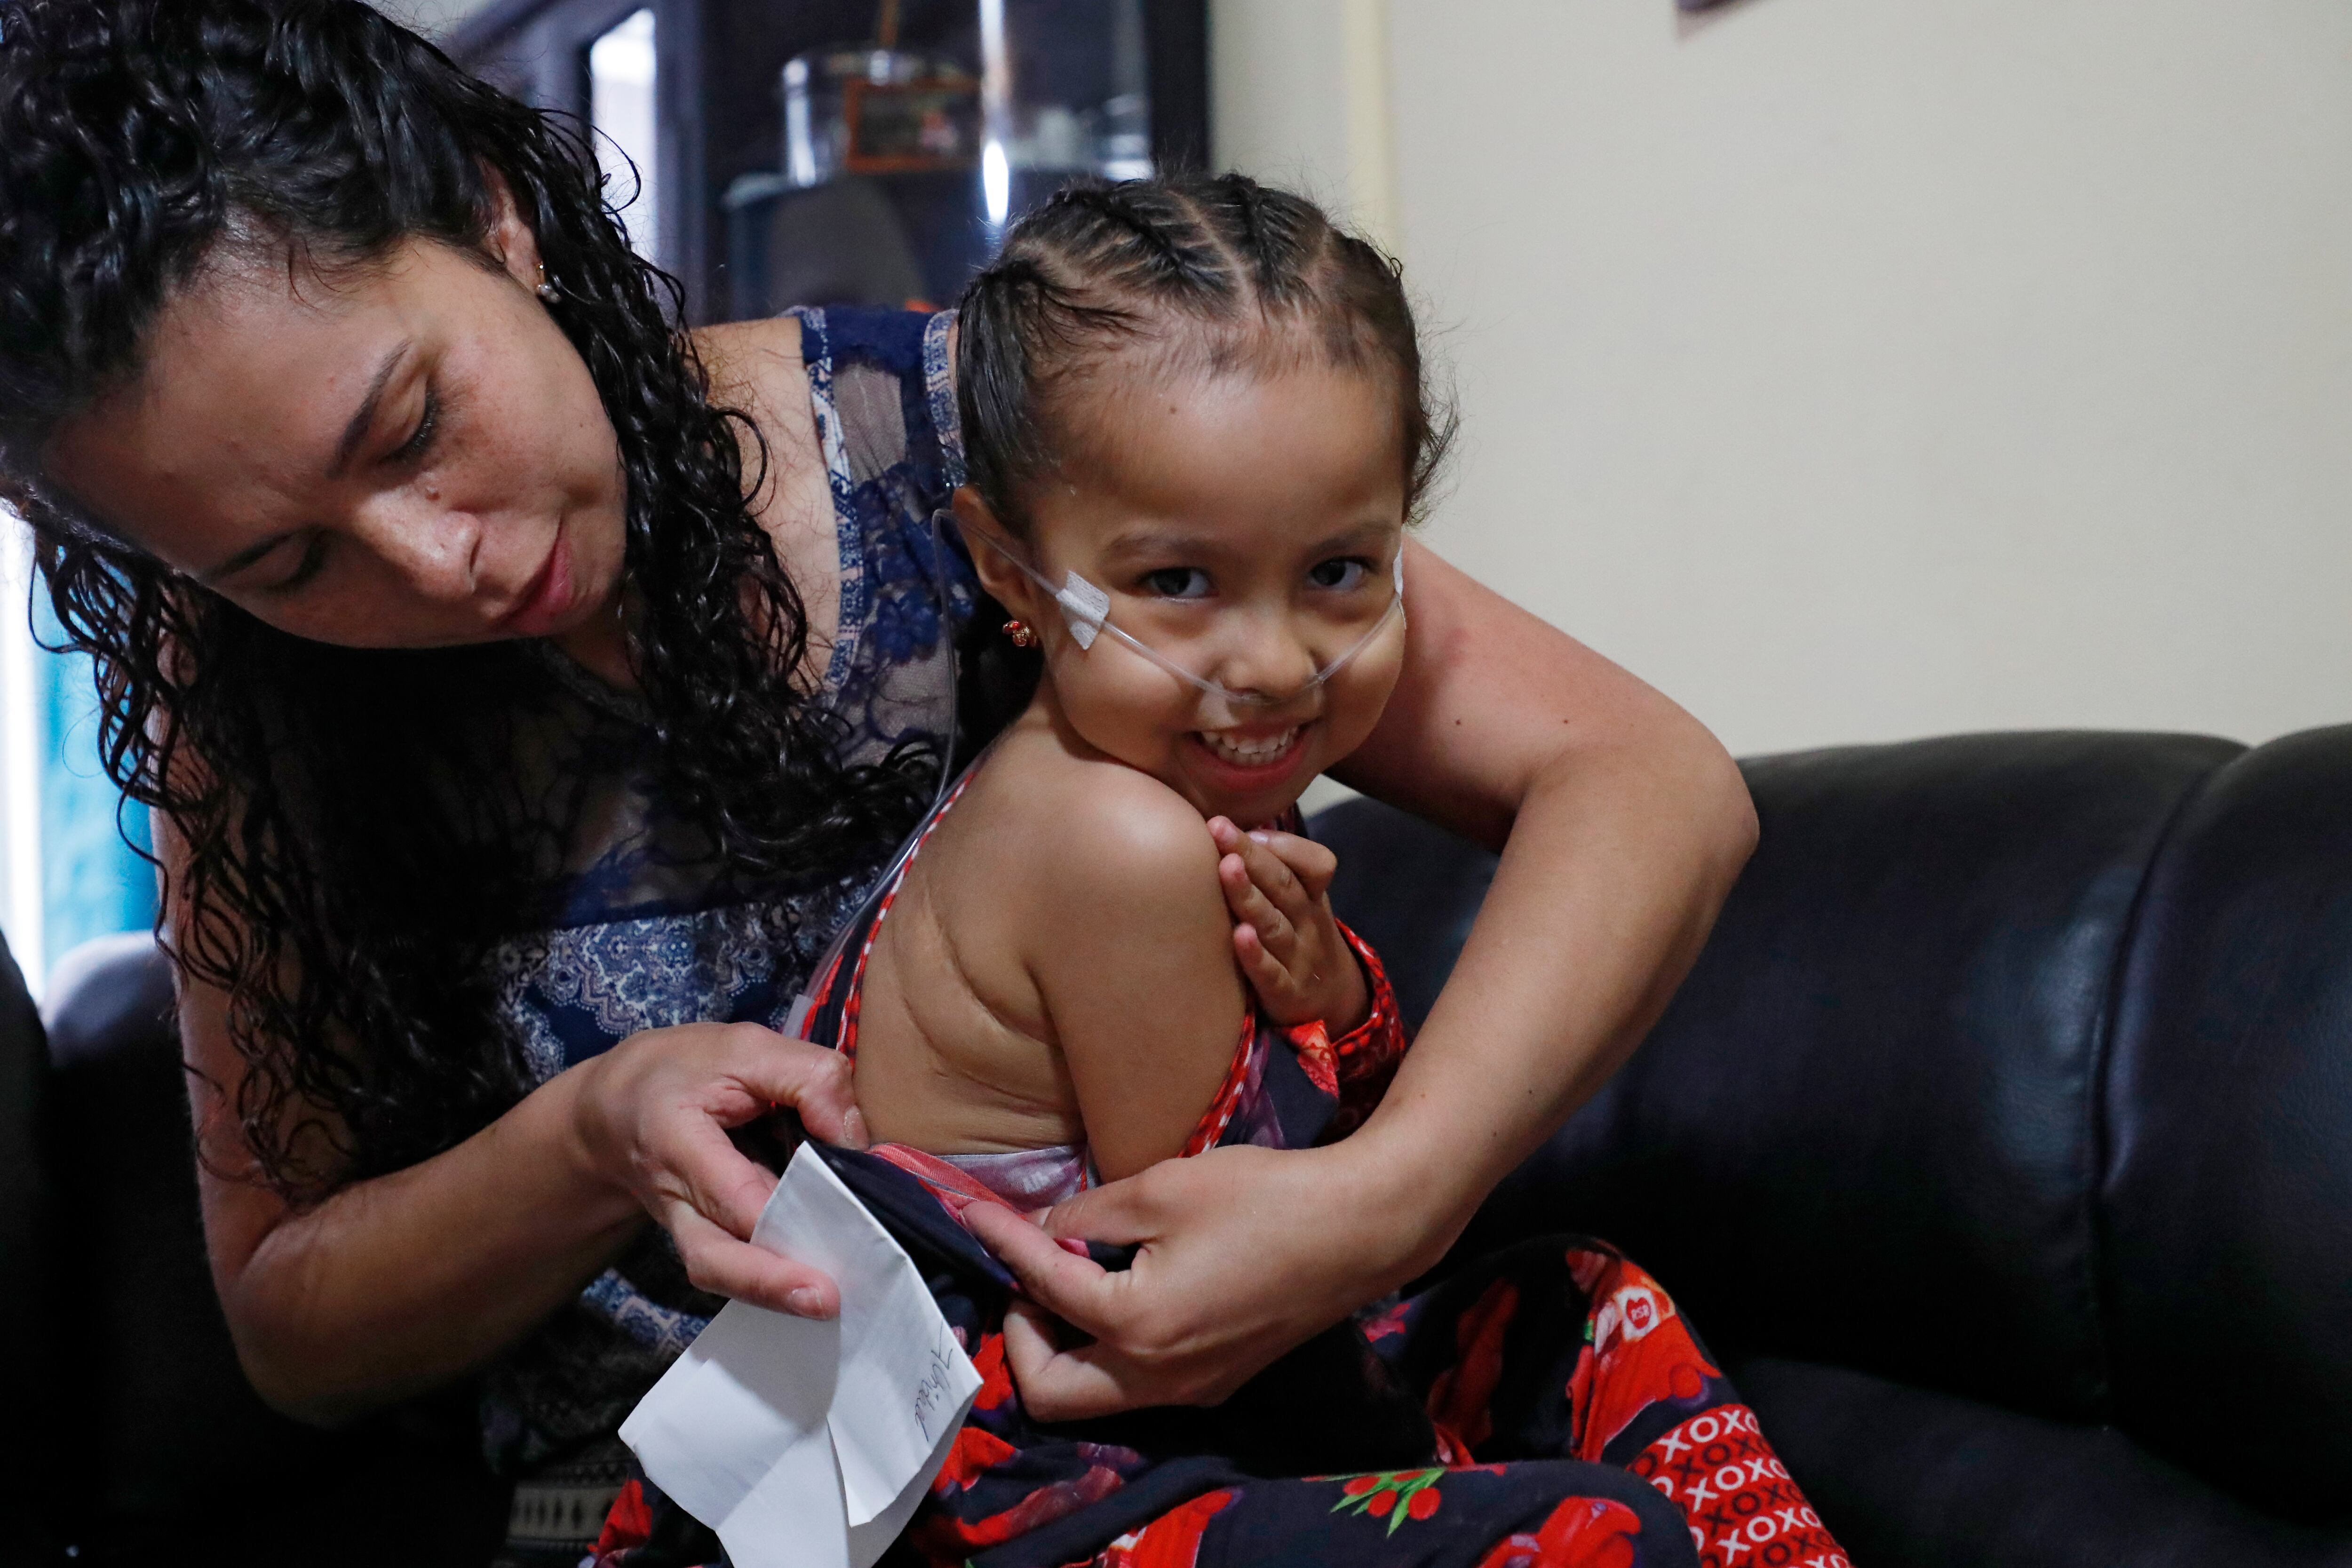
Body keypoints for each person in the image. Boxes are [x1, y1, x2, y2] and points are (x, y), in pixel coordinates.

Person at [0, 4, 1758, 1564]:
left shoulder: (978, 451)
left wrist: (1384, 1200)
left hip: (1190, 1415)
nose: (429, 559)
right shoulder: (245, 709)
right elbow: (295, 1328)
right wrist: (588, 1141)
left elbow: (1643, 779)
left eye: (406, 429)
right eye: (283, 563)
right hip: (691, 1503)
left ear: (493, 211)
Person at [581, 175, 1844, 1568]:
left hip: (1174, 1398)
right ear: (1009, 571)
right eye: (1179, 582)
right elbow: (1233, 1254)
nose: (1276, 660)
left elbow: (1306, 1222)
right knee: (1586, 1534)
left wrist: (1329, 996)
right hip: (1010, 1477)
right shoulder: (1112, 841)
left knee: (1586, 1306)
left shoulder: (1162, 794)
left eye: (1341, 572)